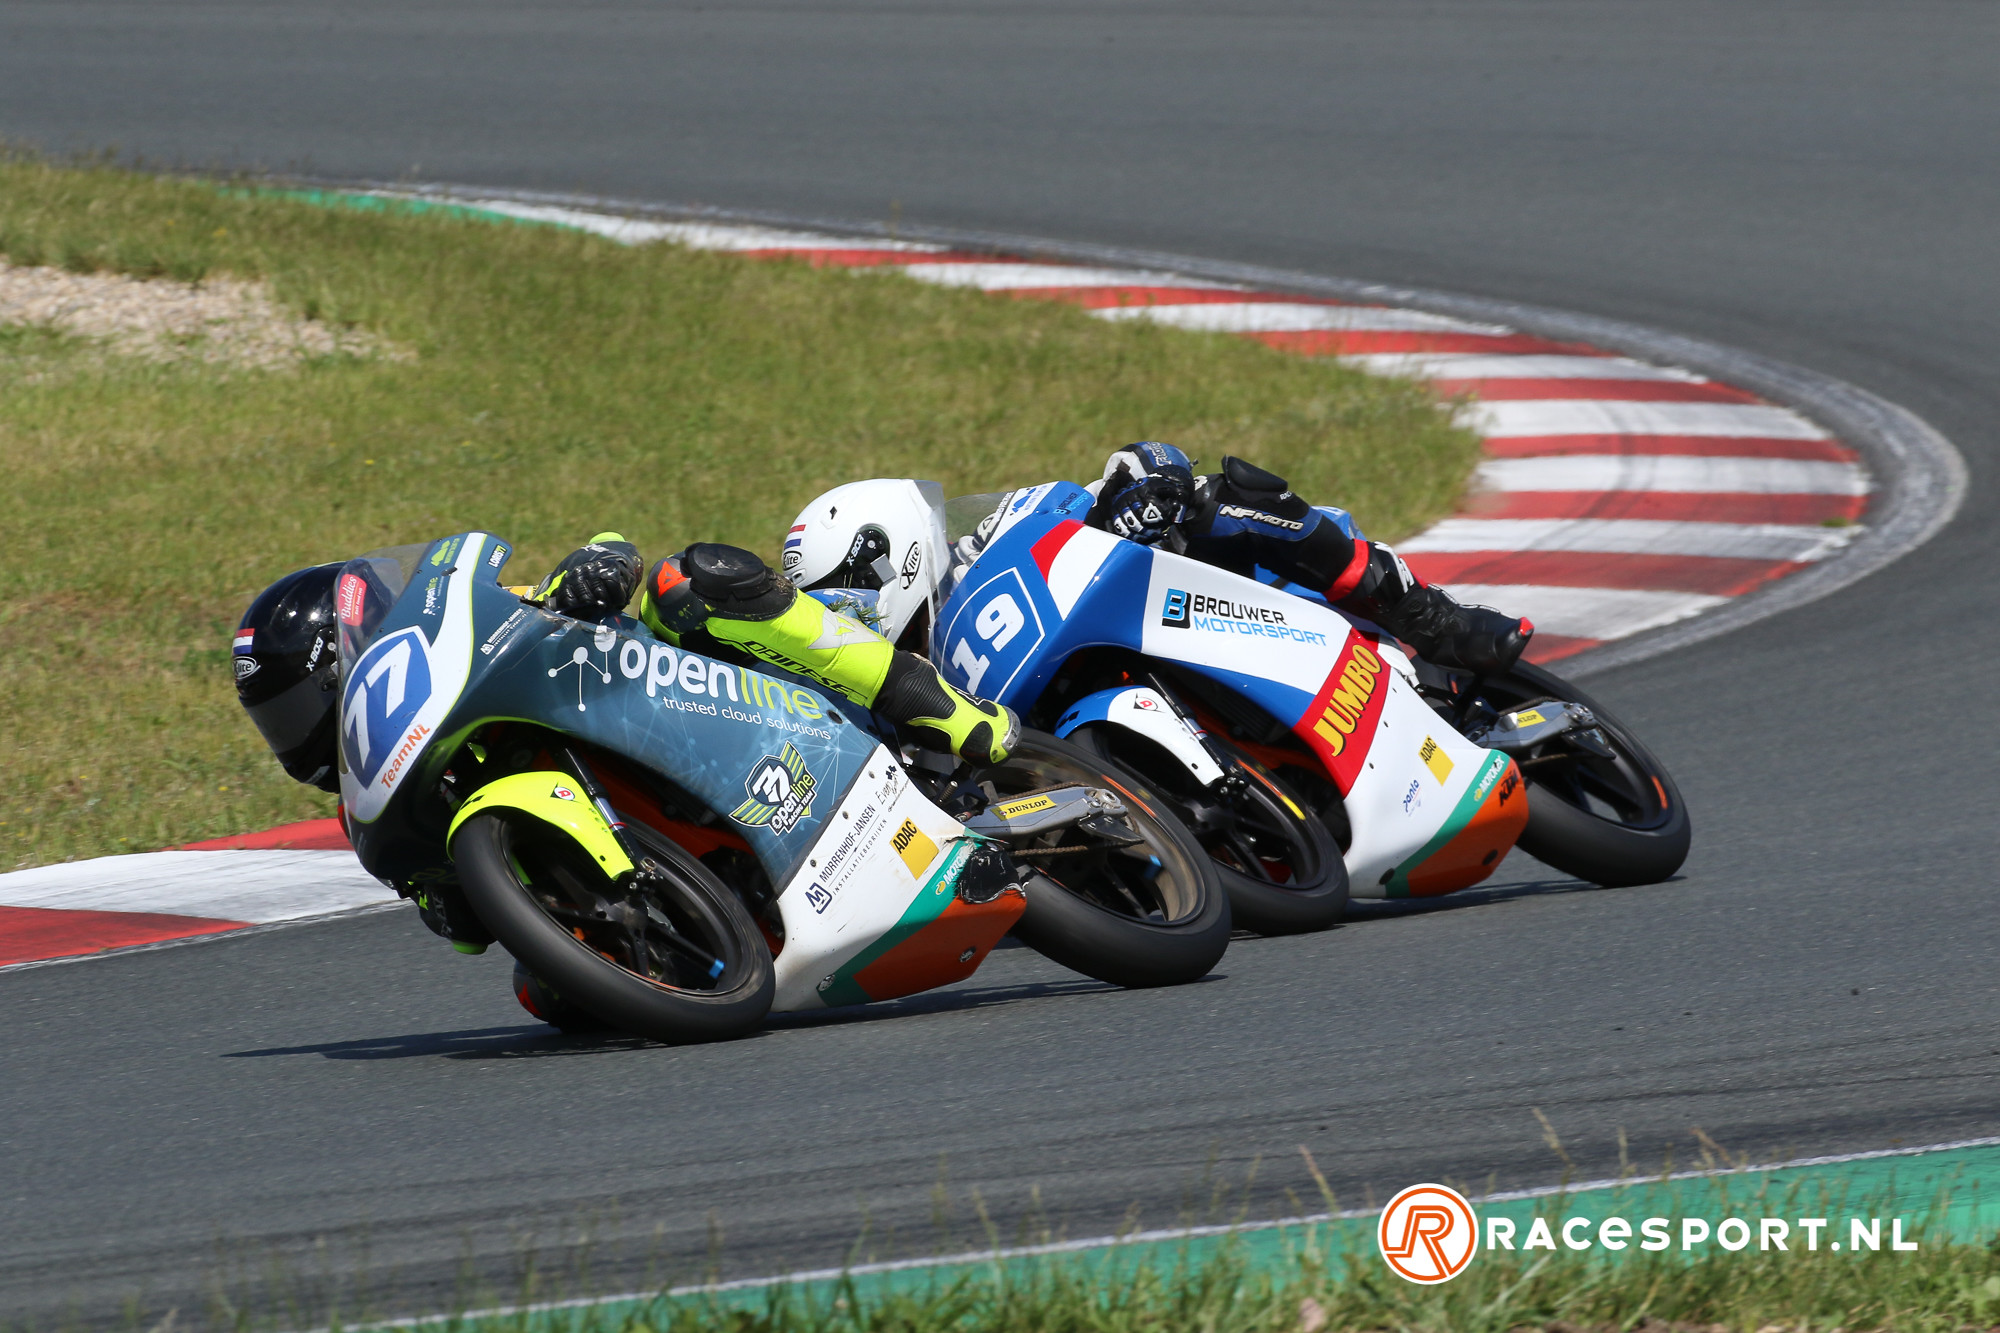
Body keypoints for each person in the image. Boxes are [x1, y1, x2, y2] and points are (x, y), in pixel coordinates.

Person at [233, 534, 1017, 796]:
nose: (300, 736)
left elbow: (610, 551)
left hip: (704, 700)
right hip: (676, 850)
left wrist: (594, 567)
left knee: (689, 579)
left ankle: (934, 701)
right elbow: (465, 931)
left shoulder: (472, 639)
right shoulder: (387, 812)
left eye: (302, 706)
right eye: (281, 723)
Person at [1082, 441, 1532, 674]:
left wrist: (1159, 485)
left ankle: (1433, 621)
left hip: (1248, 593)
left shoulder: (1068, 512)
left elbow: (1144, 456)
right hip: (1166, 651)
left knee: (1227, 497)